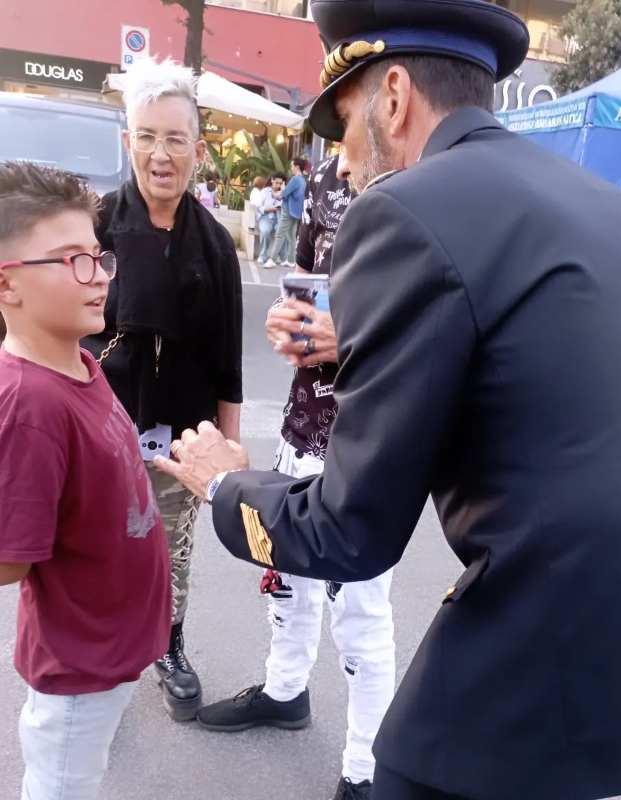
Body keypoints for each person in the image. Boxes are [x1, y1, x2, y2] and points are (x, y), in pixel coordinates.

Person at [155, 2, 621, 799]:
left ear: (393, 97)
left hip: (540, 631)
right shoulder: (612, 210)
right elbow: (536, 369)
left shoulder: (404, 209)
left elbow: (349, 531)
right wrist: (352, 341)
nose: (348, 161)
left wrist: (224, 483)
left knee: (404, 773)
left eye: (348, 124)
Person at [197, 156, 394, 800]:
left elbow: (448, 327)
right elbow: (304, 282)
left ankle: (365, 770)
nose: (345, 137)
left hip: (368, 444)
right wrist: (287, 321)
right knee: (288, 583)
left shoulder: (427, 185)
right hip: (298, 424)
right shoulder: (328, 180)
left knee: (360, 615)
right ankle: (285, 692)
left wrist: (356, 338)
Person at [0, 162, 170, 799]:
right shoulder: (28, 404)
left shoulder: (81, 362)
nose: (98, 276)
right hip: (79, 668)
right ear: (8, 286)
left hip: (111, 650)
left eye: (98, 256)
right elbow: (9, 560)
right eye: (71, 260)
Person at [83, 57, 243, 723]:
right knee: (96, 546)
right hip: (101, 427)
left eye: (175, 139)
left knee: (169, 547)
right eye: (147, 136)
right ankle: (98, 658)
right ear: (128, 143)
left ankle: (168, 647)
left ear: (198, 151)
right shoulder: (94, 226)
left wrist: (228, 457)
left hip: (182, 434)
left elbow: (229, 360)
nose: (160, 154)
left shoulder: (214, 244)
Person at [265, 158, 307, 269]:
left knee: (279, 234)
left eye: (292, 165)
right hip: (296, 212)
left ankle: (272, 259)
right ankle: (291, 260)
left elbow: (283, 194)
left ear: (297, 167)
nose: (291, 168)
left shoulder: (295, 179)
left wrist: (275, 193)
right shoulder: (303, 180)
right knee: (291, 236)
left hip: (288, 211)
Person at [256, 173, 285, 264]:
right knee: (265, 231)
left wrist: (283, 190)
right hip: (266, 217)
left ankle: (280, 257)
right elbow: (259, 207)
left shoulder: (284, 193)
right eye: (276, 183)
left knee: (282, 231)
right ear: (272, 180)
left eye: (280, 183)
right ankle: (263, 255)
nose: (278, 185)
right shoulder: (265, 191)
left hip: (279, 218)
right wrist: (270, 209)